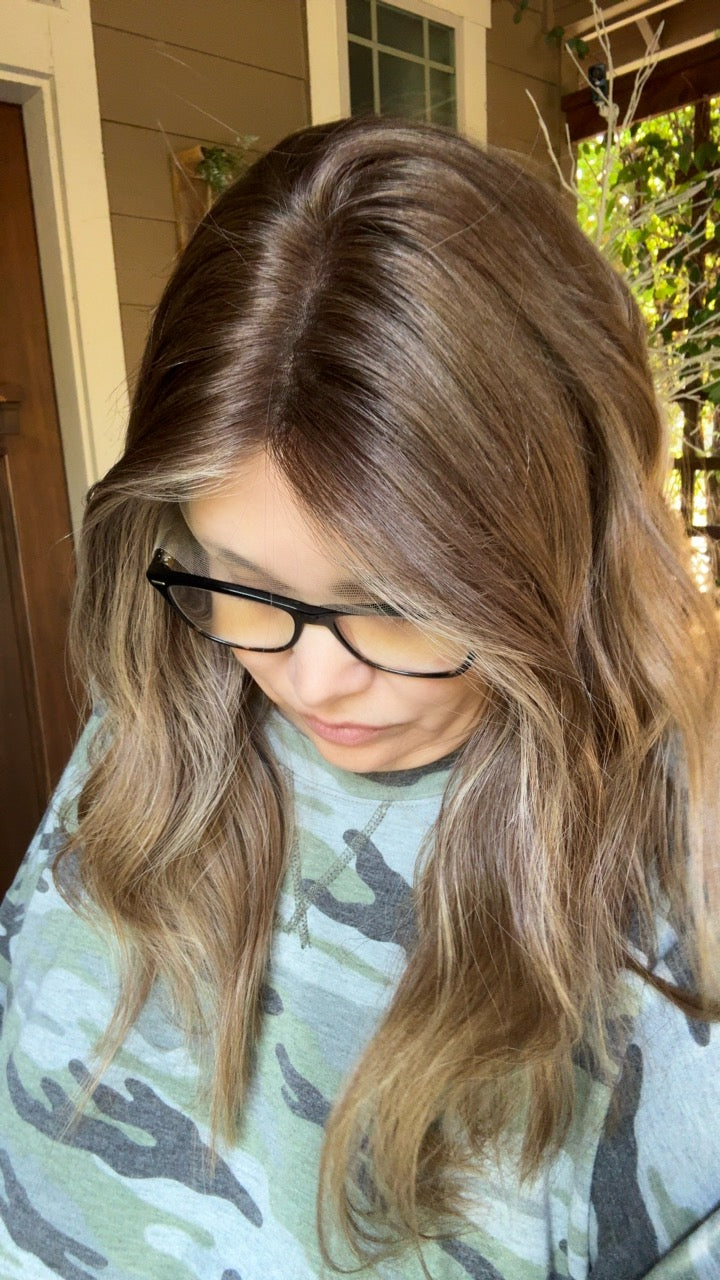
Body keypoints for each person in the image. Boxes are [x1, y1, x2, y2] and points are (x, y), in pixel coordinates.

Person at [0, 116, 718, 1280]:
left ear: (572, 544)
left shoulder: (680, 910)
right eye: (241, 579)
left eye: (396, 601)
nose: (310, 678)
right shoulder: (168, 700)